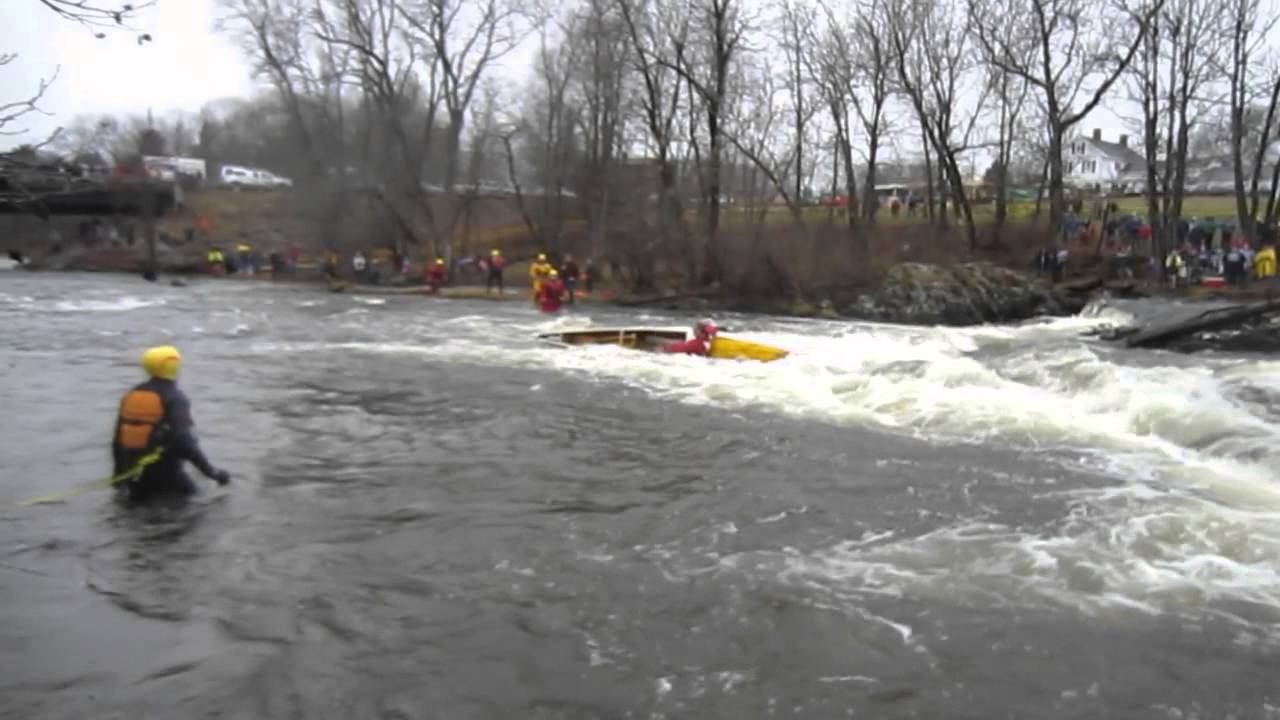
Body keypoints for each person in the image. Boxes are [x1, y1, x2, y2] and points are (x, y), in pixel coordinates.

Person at [112, 346, 230, 503]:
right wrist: (212, 472)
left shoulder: (131, 394)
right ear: (172, 367)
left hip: (136, 478)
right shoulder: (175, 398)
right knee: (204, 509)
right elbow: (183, 441)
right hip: (169, 477)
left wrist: (118, 476)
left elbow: (118, 440)